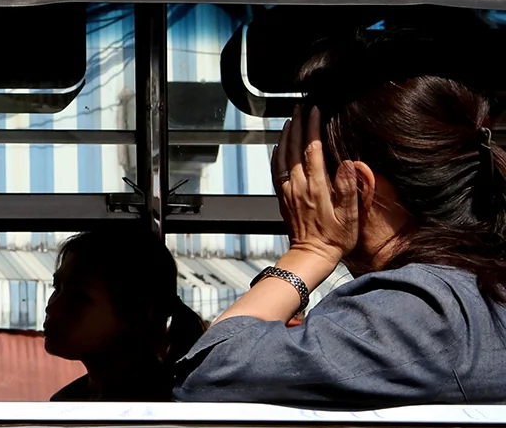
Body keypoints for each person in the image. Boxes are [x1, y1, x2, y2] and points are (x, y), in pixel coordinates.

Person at [174, 34, 506, 407]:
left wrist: (310, 250)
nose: (295, 198)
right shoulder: (480, 294)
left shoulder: (421, 316)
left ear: (357, 186)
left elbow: (207, 376)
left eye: (304, 176)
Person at [43, 225, 204, 401]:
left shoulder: (162, 406)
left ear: (135, 316)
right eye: (56, 288)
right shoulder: (70, 400)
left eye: (79, 297)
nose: (52, 308)